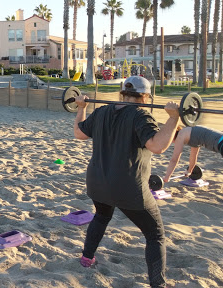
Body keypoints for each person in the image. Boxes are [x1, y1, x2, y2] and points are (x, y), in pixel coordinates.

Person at [73, 76, 180, 288]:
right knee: (155, 235)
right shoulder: (141, 115)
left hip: (97, 183)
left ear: (123, 92)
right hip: (128, 189)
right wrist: (174, 118)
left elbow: (79, 133)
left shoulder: (102, 111)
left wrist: (81, 108)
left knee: (102, 215)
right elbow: (157, 146)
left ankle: (87, 259)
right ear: (146, 96)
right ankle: (158, 284)